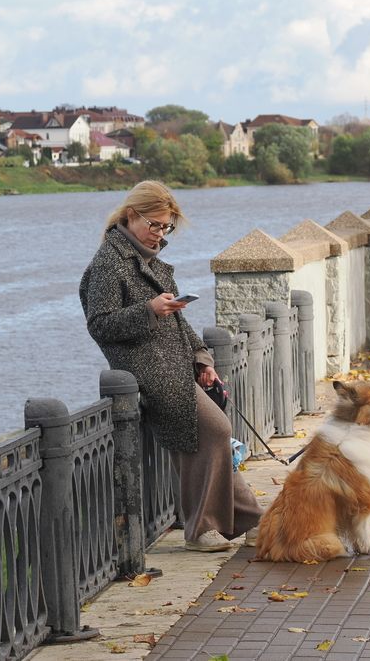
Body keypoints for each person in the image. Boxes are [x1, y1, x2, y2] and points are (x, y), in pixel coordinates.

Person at [79, 180, 261, 552]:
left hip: (173, 368)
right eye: (155, 225)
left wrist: (201, 358)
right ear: (132, 216)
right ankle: (200, 529)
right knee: (214, 430)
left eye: (166, 227)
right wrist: (149, 310)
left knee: (212, 437)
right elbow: (99, 325)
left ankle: (250, 521)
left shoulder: (151, 260)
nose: (160, 234)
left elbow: (178, 323)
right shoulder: (107, 264)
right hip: (146, 374)